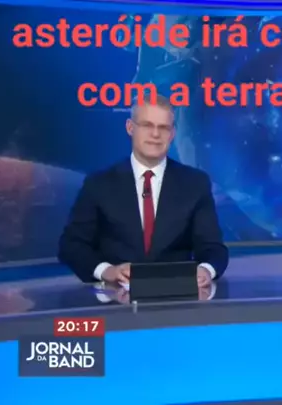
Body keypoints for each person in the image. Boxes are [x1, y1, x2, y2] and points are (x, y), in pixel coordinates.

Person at [58, 94, 228, 286]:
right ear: (130, 128)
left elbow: (213, 248)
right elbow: (71, 245)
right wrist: (107, 271)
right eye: (147, 125)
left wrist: (206, 270)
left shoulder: (195, 183)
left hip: (176, 296)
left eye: (163, 128)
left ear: (172, 134)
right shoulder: (99, 184)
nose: (155, 134)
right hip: (116, 297)